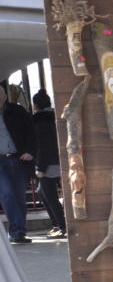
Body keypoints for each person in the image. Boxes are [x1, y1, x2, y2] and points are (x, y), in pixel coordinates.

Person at [0, 84, 35, 244]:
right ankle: (16, 231)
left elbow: (31, 132)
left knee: (20, 197)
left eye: (0, 93)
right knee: (6, 194)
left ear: (5, 95)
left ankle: (19, 232)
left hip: (18, 159)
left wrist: (30, 151)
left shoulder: (17, 111)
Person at [30, 90, 67, 238]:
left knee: (49, 195)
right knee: (42, 192)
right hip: (58, 158)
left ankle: (62, 226)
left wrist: (40, 166)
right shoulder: (55, 116)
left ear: (36, 104)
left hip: (47, 162)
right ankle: (57, 224)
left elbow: (42, 145)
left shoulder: (38, 120)